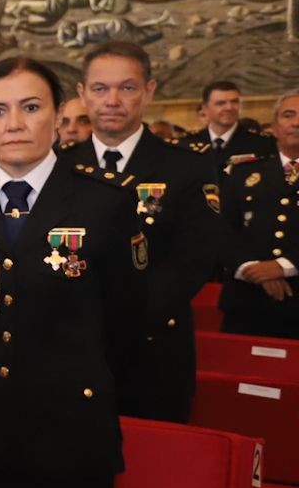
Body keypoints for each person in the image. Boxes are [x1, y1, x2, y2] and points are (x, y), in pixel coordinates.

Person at [0, 57, 144, 488]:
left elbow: (128, 322)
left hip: (68, 433)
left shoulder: (105, 200)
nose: (15, 124)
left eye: (30, 107)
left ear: (59, 114)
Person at [60, 40, 222, 422]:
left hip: (154, 352)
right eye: (100, 89)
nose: (112, 100)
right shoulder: (60, 167)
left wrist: (115, 318)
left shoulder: (185, 166)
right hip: (72, 351)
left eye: (127, 87)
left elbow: (194, 257)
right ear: (83, 94)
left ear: (148, 91)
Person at [218, 89, 299, 338]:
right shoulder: (243, 171)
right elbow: (220, 227)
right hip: (247, 302)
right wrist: (251, 268)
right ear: (274, 125)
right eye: (288, 115)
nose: (296, 122)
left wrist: (284, 266)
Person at [188, 79, 275, 167]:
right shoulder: (188, 144)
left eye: (234, 102)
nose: (229, 107)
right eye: (220, 103)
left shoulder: (262, 143)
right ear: (205, 108)